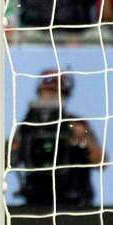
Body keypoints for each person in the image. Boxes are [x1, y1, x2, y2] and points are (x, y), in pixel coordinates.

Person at [9, 69, 105, 210]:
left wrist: (83, 140)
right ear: (39, 93)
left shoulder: (74, 124)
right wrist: (12, 148)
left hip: (73, 201)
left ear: (64, 96)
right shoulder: (27, 126)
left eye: (56, 92)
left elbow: (101, 162)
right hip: (35, 200)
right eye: (47, 91)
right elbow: (10, 161)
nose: (50, 96)